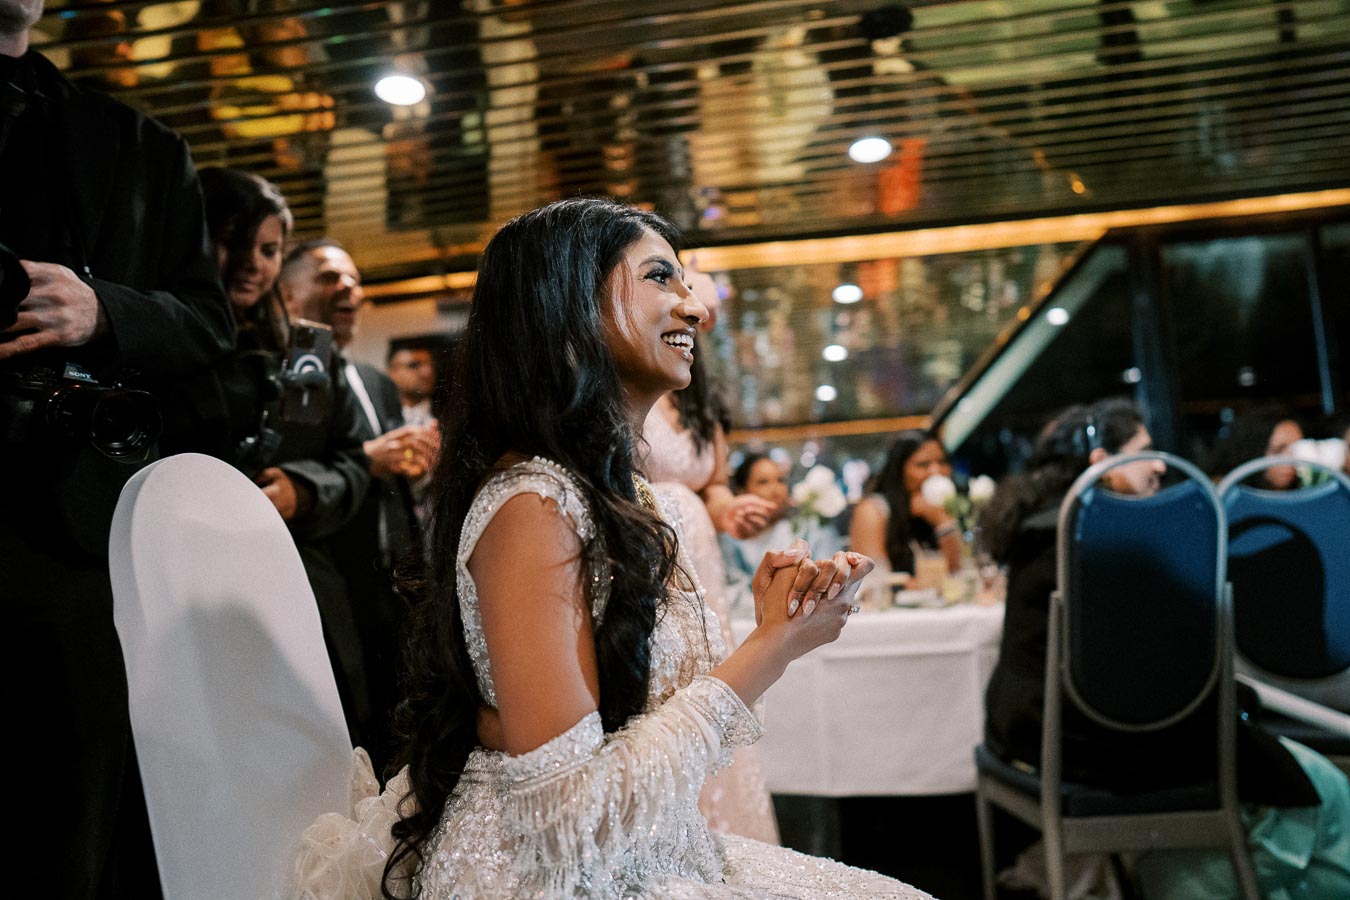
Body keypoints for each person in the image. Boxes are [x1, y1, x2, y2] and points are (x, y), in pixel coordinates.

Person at [290, 198, 928, 898]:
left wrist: (775, 625)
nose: (696, 308)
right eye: (660, 277)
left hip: (651, 850)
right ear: (569, 306)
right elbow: (566, 823)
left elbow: (652, 726)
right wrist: (771, 648)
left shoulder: (619, 493)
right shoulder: (535, 506)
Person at [0, 4, 236, 896]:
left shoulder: (138, 143)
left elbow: (209, 323)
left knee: (68, 826)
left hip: (76, 531)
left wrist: (104, 310)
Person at [980, 399, 1350, 898]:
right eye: (1144, 452)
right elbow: (1160, 674)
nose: (1158, 465)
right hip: (1099, 735)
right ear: (1102, 464)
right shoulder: (1105, 543)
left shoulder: (1045, 531)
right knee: (1316, 785)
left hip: (1030, 730)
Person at [199, 167, 377, 749]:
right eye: (233, 242)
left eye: (269, 250)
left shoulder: (307, 352)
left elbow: (350, 459)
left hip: (305, 586)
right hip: (201, 591)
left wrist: (304, 489)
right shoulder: (162, 346)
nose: (252, 264)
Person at [278, 238, 435, 772]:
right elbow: (293, 472)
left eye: (353, 278)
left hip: (393, 579)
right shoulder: (297, 372)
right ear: (288, 294)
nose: (348, 287)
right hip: (336, 577)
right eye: (328, 277)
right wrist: (369, 458)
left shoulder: (376, 382)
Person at [639, 269, 781, 843]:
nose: (696, 318)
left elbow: (714, 483)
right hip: (649, 549)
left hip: (702, 555)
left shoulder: (700, 394)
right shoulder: (630, 385)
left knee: (713, 672)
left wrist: (730, 510)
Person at [723, 452, 839, 616]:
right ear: (742, 491)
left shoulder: (810, 529)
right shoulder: (730, 539)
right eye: (763, 482)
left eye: (780, 480)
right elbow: (733, 595)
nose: (775, 489)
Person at [849, 430, 962, 577]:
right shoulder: (873, 510)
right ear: (900, 470)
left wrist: (942, 522)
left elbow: (956, 572)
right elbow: (872, 577)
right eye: (923, 465)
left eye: (942, 462)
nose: (936, 471)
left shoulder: (940, 509)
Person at [1208, 405, 1304, 489]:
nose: (1290, 461)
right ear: (1256, 450)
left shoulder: (1308, 492)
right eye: (1278, 450)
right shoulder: (1225, 494)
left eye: (1296, 451)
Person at [386, 343, 437, 425]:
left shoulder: (450, 414)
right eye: (414, 365)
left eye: (430, 365)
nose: (427, 372)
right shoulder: (381, 416)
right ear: (392, 372)